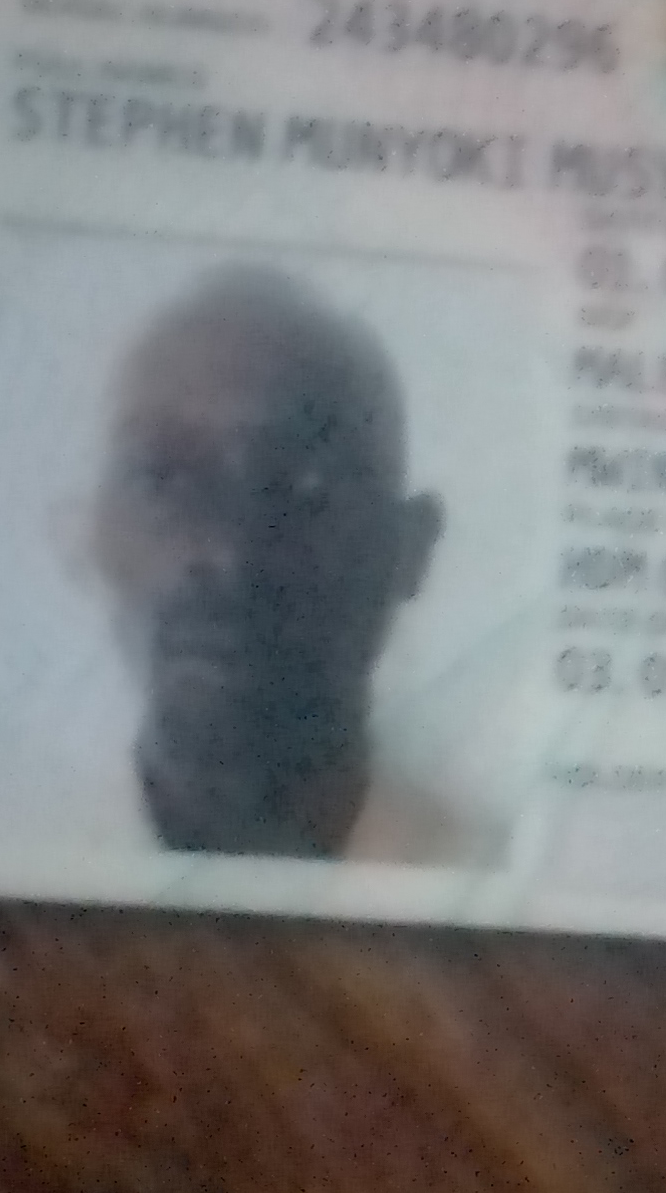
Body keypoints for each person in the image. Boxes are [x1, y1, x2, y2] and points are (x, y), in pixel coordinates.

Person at [92, 267, 454, 859]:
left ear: (410, 549)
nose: (228, 553)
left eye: (305, 487)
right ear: (94, 535)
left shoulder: (519, 875)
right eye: (164, 480)